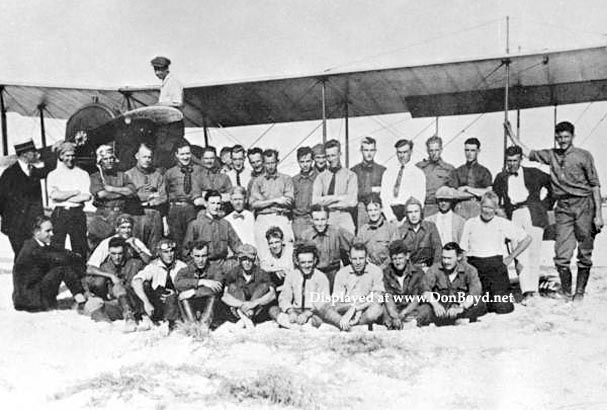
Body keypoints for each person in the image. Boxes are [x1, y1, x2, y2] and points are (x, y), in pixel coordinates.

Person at [506, 121, 602, 302]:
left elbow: (595, 185)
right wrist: (511, 134)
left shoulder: (584, 156)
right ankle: (566, 292)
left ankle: (579, 292)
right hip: (563, 209)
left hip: (584, 206)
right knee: (561, 255)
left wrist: (598, 215)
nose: (562, 140)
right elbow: (528, 152)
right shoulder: (551, 155)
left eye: (566, 137)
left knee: (584, 252)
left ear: (573, 137)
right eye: (559, 137)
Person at [493, 145, 554, 301]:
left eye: (515, 160)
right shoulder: (501, 177)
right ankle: (526, 290)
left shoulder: (533, 173)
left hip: (533, 213)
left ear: (521, 159)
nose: (512, 164)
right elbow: (495, 198)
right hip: (514, 215)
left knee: (534, 252)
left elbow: (552, 184)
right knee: (519, 253)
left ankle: (533, 290)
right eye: (509, 161)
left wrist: (545, 204)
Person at [459, 191, 531, 314]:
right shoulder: (470, 223)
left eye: (491, 208)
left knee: (503, 308)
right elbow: (463, 250)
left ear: (496, 208)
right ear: (480, 206)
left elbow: (527, 238)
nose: (487, 211)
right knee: (477, 306)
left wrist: (510, 258)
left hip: (496, 268)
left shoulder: (501, 223)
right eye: (485, 207)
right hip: (476, 267)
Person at [12, 216, 87, 312]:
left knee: (66, 262)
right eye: (47, 231)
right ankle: (82, 301)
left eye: (52, 230)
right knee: (63, 269)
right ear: (36, 232)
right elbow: (58, 258)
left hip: (25, 297)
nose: (52, 234)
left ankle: (82, 295)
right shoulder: (32, 249)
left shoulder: (35, 244)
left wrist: (74, 255)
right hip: (30, 300)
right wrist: (75, 258)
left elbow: (56, 250)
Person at [316, 243, 384, 331]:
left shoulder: (376, 271)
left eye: (361, 258)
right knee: (323, 306)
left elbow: (377, 296)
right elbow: (337, 301)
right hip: (346, 310)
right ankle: (350, 326)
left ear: (367, 258)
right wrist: (351, 308)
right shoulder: (342, 273)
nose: (358, 262)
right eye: (354, 259)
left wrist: (356, 308)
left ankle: (345, 326)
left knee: (376, 309)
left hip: (365, 309)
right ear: (349, 258)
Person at [0, 139, 49, 258]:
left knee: (33, 257)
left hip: (33, 225)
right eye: (33, 151)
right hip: (16, 226)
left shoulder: (34, 171)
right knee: (21, 257)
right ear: (24, 154)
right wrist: (11, 220)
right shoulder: (9, 174)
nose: (36, 154)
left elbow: (48, 168)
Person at [84, 237, 141, 331]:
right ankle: (105, 324)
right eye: (113, 254)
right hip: (118, 305)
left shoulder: (135, 263)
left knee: (118, 287)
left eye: (120, 253)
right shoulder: (106, 266)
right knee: (94, 305)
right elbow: (89, 271)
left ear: (125, 252)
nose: (117, 257)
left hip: (134, 303)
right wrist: (111, 276)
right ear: (109, 253)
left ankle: (129, 317)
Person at [424, 242, 487, 326]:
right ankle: (458, 320)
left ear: (459, 257)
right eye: (444, 258)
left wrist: (461, 307)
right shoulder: (434, 269)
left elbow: (475, 293)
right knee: (424, 308)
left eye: (449, 258)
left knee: (480, 303)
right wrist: (436, 305)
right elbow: (425, 290)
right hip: (441, 306)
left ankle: (457, 318)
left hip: (460, 305)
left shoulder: (470, 270)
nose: (446, 261)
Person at [47, 141, 91, 258]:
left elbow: (86, 196)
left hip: (77, 214)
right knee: (56, 246)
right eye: (67, 155)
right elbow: (54, 196)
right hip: (59, 213)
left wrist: (63, 196)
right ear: (61, 156)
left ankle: (80, 272)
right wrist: (74, 192)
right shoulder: (53, 175)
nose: (70, 158)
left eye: (72, 155)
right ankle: (56, 273)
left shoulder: (82, 174)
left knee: (79, 246)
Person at [132, 238, 187, 332]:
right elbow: (136, 281)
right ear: (159, 253)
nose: (170, 255)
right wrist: (146, 302)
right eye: (166, 252)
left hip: (175, 302)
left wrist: (175, 294)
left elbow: (188, 285)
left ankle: (170, 323)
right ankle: (145, 318)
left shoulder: (181, 266)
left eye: (171, 251)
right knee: (144, 285)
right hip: (157, 303)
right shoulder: (154, 266)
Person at [271, 242, 329, 329]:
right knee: (273, 310)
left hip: (312, 312)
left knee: (319, 319)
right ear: (297, 262)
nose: (306, 266)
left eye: (309, 262)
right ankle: (296, 325)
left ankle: (294, 325)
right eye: (303, 263)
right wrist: (290, 311)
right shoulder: (291, 276)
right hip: (295, 310)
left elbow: (323, 301)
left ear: (315, 261)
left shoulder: (321, 277)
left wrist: (306, 314)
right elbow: (284, 297)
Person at [88, 145, 137, 249]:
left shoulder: (122, 176)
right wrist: (122, 192)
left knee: (122, 245)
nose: (109, 161)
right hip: (104, 216)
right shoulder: (96, 177)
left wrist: (111, 189)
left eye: (111, 158)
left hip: (121, 214)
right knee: (101, 246)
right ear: (100, 161)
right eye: (105, 159)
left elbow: (132, 191)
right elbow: (101, 194)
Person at [217, 244, 277, 329]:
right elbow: (225, 296)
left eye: (250, 259)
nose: (247, 262)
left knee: (263, 286)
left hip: (256, 309)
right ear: (239, 260)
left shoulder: (262, 273)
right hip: (239, 307)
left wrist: (254, 303)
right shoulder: (233, 273)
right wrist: (242, 305)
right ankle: (245, 316)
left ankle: (245, 319)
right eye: (244, 259)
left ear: (254, 259)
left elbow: (272, 295)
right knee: (232, 286)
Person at [182, 190, 242, 272]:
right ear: (206, 204)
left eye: (218, 203)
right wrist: (196, 268)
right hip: (204, 268)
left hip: (223, 266)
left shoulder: (225, 224)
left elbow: (237, 245)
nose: (216, 207)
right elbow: (186, 252)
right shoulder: (196, 224)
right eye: (212, 203)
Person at [249, 149, 294, 253]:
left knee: (286, 247)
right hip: (263, 218)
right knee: (263, 249)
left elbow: (289, 201)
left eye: (272, 163)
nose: (270, 166)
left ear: (277, 162)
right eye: (267, 163)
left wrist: (264, 202)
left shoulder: (286, 179)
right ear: (264, 163)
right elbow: (253, 204)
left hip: (280, 216)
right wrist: (276, 200)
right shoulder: (258, 181)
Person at [382, 239, 433, 329]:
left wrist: (404, 313)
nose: (397, 262)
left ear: (407, 256)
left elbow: (417, 298)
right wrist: (394, 315)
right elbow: (388, 296)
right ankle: (392, 324)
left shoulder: (418, 273)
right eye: (394, 259)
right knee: (383, 309)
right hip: (395, 308)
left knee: (426, 308)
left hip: (410, 309)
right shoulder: (386, 272)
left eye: (400, 258)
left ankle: (409, 324)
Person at [301, 204, 354, 290]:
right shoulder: (306, 235)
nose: (320, 223)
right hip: (314, 274)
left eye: (323, 219)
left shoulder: (336, 231)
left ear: (328, 219)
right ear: (311, 220)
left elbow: (354, 244)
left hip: (333, 273)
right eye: (316, 220)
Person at [126, 143, 167, 250]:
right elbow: (130, 196)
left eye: (149, 157)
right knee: (136, 247)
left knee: (155, 248)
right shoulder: (128, 175)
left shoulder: (158, 175)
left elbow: (163, 197)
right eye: (144, 157)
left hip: (155, 215)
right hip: (136, 215)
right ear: (137, 156)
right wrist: (151, 195)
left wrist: (149, 201)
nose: (147, 160)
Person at [312, 139, 358, 234]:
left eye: (333, 155)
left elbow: (352, 202)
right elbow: (315, 201)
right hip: (327, 218)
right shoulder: (321, 177)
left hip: (345, 216)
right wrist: (340, 197)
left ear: (340, 154)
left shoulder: (351, 175)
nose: (330, 159)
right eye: (328, 156)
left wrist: (326, 201)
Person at [174, 241, 223, 330]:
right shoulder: (186, 269)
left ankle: (204, 326)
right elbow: (177, 283)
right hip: (192, 307)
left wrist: (193, 292)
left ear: (208, 255)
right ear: (192, 255)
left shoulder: (215, 268)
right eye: (197, 256)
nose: (201, 260)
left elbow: (218, 287)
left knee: (212, 296)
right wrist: (201, 282)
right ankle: (192, 325)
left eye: (204, 256)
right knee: (183, 296)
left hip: (208, 308)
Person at [165, 140, 205, 248]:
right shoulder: (170, 173)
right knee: (176, 241)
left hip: (191, 209)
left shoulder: (199, 170)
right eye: (182, 154)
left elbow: (206, 187)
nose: (185, 157)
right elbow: (165, 193)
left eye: (187, 154)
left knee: (191, 239)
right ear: (177, 155)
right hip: (175, 210)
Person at [380, 139, 426, 223]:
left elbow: (419, 200)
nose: (402, 155)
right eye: (399, 152)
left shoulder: (418, 174)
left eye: (405, 152)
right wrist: (391, 218)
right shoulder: (388, 172)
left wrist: (406, 220)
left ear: (411, 152)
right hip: (390, 214)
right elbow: (384, 197)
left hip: (409, 215)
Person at [448, 137, 493, 220]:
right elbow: (453, 193)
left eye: (472, 150)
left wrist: (467, 189)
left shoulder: (484, 172)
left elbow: (488, 193)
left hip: (478, 207)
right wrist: (476, 193)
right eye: (467, 150)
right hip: (461, 208)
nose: (469, 153)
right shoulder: (457, 171)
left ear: (478, 151)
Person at [87, 214, 152, 270]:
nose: (126, 231)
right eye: (123, 227)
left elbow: (148, 261)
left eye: (129, 227)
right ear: (117, 228)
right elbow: (92, 265)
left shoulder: (135, 241)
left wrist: (135, 247)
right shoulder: (107, 242)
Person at [351, 136, 386, 231]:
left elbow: (386, 191)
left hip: (378, 208)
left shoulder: (382, 170)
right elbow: (353, 193)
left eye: (371, 150)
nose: (369, 153)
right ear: (361, 151)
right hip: (361, 209)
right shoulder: (354, 171)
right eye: (366, 150)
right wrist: (372, 190)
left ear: (375, 151)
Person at [356, 193, 399, 268]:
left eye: (376, 210)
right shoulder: (362, 231)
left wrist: (383, 267)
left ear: (381, 209)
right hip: (368, 269)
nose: (373, 213)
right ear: (367, 211)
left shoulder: (391, 229)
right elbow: (359, 252)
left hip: (388, 269)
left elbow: (396, 253)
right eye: (370, 210)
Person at [416, 135, 455, 217]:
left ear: (441, 150)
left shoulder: (449, 169)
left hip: (440, 208)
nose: (434, 153)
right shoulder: (419, 167)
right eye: (431, 150)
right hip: (423, 207)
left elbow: (453, 192)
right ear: (427, 151)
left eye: (436, 150)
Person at [399, 197, 442, 270]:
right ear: (406, 214)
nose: (413, 215)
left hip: (427, 268)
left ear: (421, 212)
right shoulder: (401, 231)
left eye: (416, 211)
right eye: (410, 212)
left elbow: (438, 250)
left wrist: (433, 270)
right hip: (409, 270)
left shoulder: (430, 227)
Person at [292, 146, 318, 241]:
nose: (305, 165)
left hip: (314, 220)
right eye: (302, 162)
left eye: (308, 161)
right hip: (298, 221)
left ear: (312, 161)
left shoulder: (319, 179)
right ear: (298, 162)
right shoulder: (294, 181)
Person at [259, 226, 294, 290]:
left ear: (282, 241)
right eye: (271, 243)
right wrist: (277, 270)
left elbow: (293, 274)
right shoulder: (268, 253)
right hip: (278, 285)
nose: (274, 246)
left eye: (277, 242)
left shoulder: (290, 252)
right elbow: (262, 268)